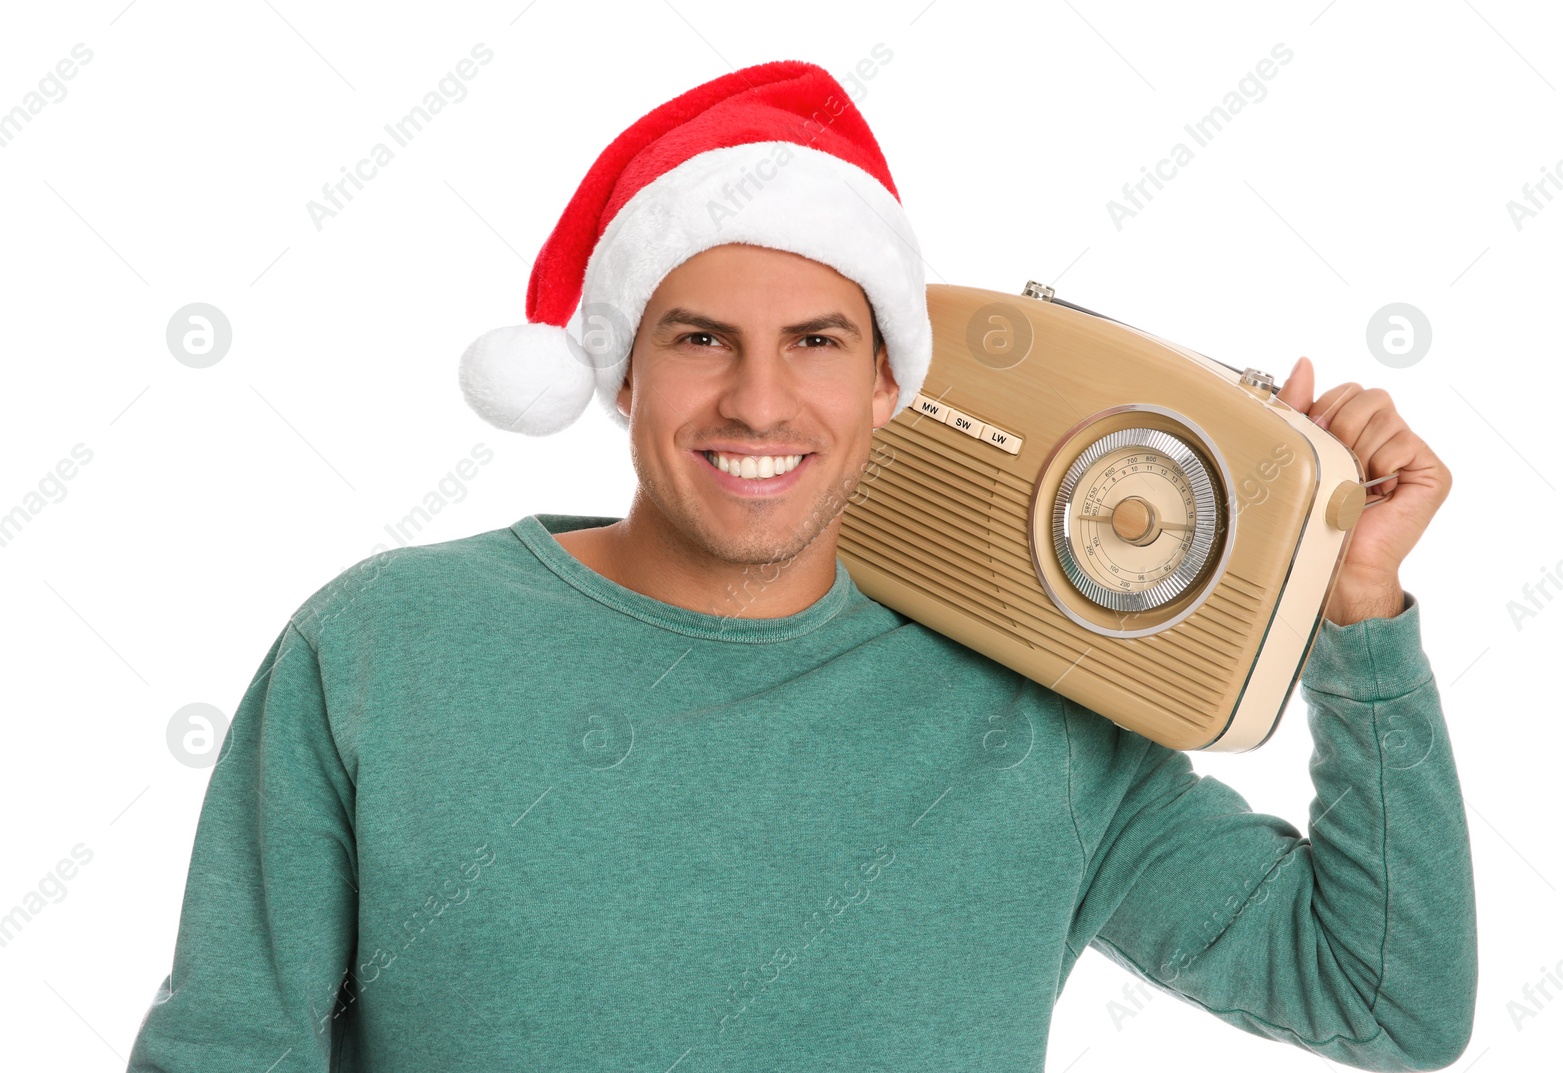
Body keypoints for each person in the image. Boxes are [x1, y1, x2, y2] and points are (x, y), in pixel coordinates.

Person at [125, 60, 1475, 1072]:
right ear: (620, 371)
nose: (760, 403)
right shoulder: (381, 650)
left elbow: (1387, 997)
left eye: (819, 342)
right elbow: (225, 1046)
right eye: (703, 338)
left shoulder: (1037, 724)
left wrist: (1356, 615)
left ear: (893, 378)